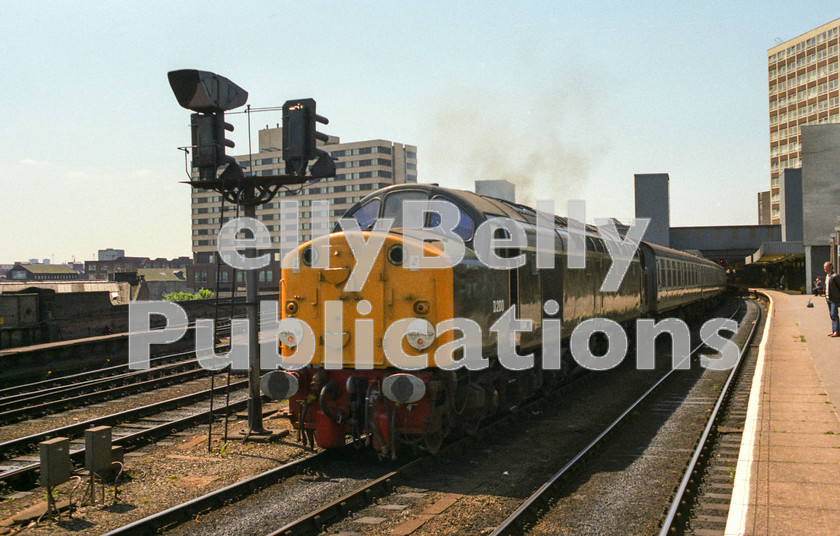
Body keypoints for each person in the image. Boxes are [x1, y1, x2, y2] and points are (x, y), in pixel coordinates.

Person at [824, 262, 840, 337]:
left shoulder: (835, 276)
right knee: (831, 315)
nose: (825, 268)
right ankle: (834, 330)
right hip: (828, 298)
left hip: (834, 298)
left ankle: (837, 331)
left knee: (834, 314)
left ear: (831, 267)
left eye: (826, 266)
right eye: (824, 266)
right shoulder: (827, 276)